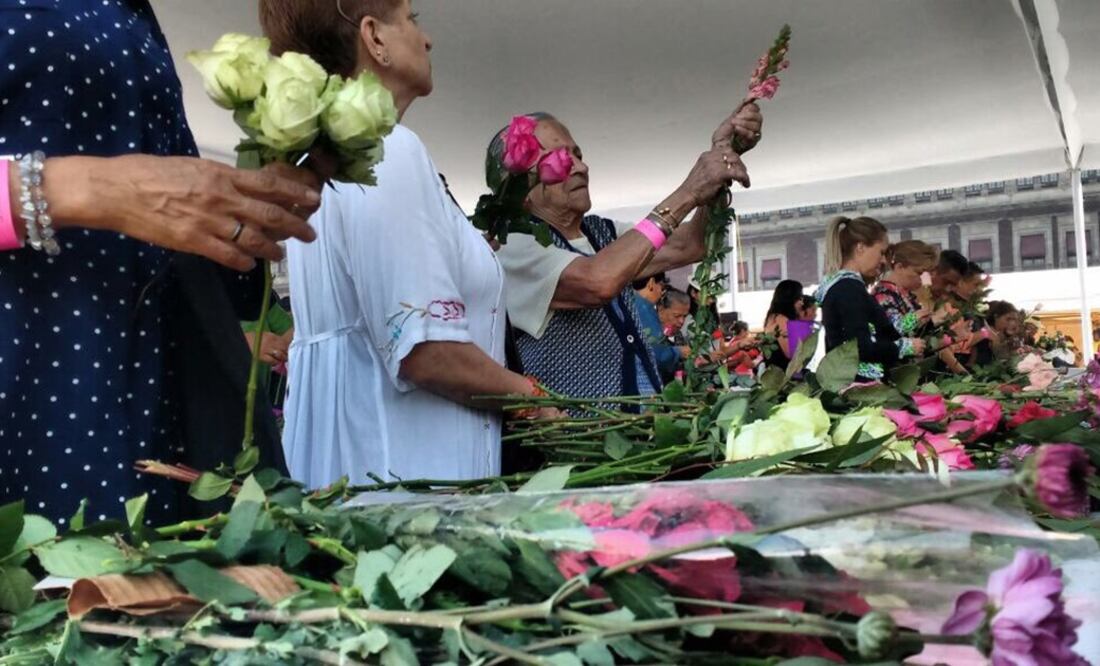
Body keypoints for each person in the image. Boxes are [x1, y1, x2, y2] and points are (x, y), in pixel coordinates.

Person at [0, 1, 323, 524]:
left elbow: (185, 236)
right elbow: (130, 188)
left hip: (148, 409)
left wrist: (267, 186)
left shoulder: (131, 10)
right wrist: (86, 189)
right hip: (28, 389)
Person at [260, 0, 560, 488]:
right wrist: (539, 400)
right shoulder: (385, 148)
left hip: (344, 466)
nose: (426, 39)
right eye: (412, 19)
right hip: (406, 477)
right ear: (374, 37)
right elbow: (427, 353)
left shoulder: (318, 158)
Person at [492, 108, 760, 400]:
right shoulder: (511, 243)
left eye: (578, 155)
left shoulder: (601, 232)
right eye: (562, 159)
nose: (581, 167)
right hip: (575, 439)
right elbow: (597, 282)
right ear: (520, 187)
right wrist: (689, 191)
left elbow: (691, 245)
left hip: (637, 434)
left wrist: (723, 157)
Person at [815, 217, 925, 381]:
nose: (883, 261)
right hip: (862, 384)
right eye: (881, 252)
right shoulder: (849, 288)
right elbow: (858, 347)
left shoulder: (843, 287)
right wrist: (904, 347)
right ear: (860, 247)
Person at [872, 240, 938, 339]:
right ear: (899, 267)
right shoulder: (883, 295)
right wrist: (915, 318)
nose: (922, 278)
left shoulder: (906, 294)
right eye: (919, 273)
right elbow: (892, 330)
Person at [633, 274, 680, 383]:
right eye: (661, 288)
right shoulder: (644, 307)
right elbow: (660, 355)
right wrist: (678, 352)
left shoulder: (629, 301)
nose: (661, 294)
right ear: (651, 283)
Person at [761, 280, 804, 371]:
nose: (802, 303)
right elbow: (790, 353)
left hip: (772, 372)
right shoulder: (782, 320)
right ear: (790, 299)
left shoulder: (772, 317)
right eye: (799, 299)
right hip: (783, 375)